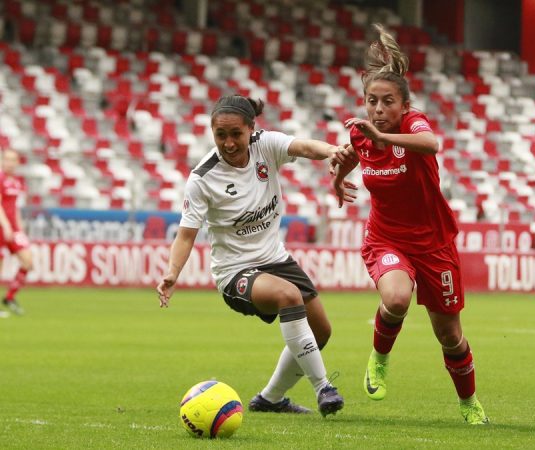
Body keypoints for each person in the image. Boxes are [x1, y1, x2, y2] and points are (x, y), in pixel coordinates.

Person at [331, 24, 488, 425]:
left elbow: (432, 144)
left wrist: (385, 139)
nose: (379, 109)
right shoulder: (362, 132)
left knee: (450, 336)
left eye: (387, 103)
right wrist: (337, 179)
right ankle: (379, 360)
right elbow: (351, 155)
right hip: (385, 238)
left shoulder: (414, 124)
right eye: (372, 102)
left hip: (434, 242)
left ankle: (469, 403)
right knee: (397, 298)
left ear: (403, 107)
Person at [157, 94, 352, 417]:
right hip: (235, 272)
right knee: (289, 297)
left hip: (276, 259)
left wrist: (333, 152)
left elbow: (304, 147)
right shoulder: (202, 178)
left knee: (321, 331)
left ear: (251, 129)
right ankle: (323, 388)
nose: (229, 142)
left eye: (236, 134)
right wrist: (172, 272)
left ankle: (270, 399)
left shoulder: (266, 146)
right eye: (221, 135)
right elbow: (186, 234)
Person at [0, 149, 32, 316]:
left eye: (13, 160)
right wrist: (5, 225)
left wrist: (20, 229)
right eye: (6, 159)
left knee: (28, 261)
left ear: (17, 162)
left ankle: (10, 297)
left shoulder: (18, 183)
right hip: (1, 227)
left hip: (13, 228)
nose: (9, 163)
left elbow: (16, 208)